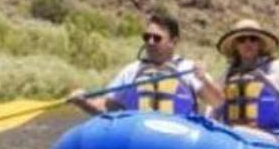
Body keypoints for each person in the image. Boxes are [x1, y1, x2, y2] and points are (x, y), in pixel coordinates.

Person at [69, 12, 222, 116]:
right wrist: (84, 102)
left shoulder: (188, 69)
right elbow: (108, 106)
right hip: (139, 137)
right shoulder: (131, 70)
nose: (150, 41)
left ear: (173, 42)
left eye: (157, 38)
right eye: (147, 37)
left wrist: (203, 79)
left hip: (179, 140)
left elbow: (217, 102)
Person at [215, 18, 279, 143]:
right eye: (241, 40)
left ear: (260, 44)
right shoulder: (229, 72)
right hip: (237, 136)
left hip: (273, 137)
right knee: (235, 131)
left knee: (238, 131)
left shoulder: (273, 67)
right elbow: (214, 104)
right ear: (236, 45)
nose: (248, 43)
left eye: (253, 39)